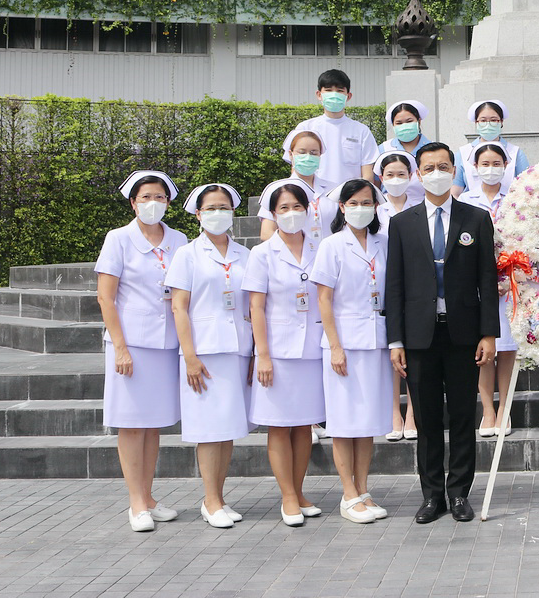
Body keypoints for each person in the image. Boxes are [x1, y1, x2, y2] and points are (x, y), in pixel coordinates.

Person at [385, 141, 499, 525]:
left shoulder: (476, 218)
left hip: (464, 333)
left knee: (464, 415)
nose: (437, 172)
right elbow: (395, 286)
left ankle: (460, 493)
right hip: (419, 336)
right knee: (428, 419)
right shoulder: (402, 223)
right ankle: (432, 495)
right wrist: (396, 340)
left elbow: (487, 278)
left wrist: (489, 333)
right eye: (429, 167)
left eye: (444, 166)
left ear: (455, 170)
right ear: (419, 174)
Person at [94, 170, 188, 532]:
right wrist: (120, 348)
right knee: (132, 425)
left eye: (160, 197)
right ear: (133, 203)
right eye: (146, 197)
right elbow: (106, 296)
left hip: (166, 343)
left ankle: (149, 496)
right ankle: (135, 503)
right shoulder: (118, 239)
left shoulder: (178, 239)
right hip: (131, 344)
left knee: (153, 427)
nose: (153, 204)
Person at [167, 183, 252, 530]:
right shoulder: (187, 254)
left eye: (224, 207)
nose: (218, 214)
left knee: (228, 427)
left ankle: (219, 496)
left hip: (237, 349)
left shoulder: (245, 254)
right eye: (211, 208)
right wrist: (189, 355)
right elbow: (178, 307)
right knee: (208, 428)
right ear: (199, 214)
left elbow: (252, 305)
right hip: (203, 352)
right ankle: (210, 500)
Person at [244, 182, 325, 527]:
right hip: (276, 351)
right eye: (284, 209)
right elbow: (256, 308)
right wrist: (262, 355)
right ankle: (287, 496)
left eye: (297, 207)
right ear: (273, 215)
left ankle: (300, 490)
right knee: (279, 425)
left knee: (304, 425)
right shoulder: (262, 254)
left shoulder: (321, 248)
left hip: (312, 349)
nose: (292, 214)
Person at [314, 180, 394, 525]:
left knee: (367, 422)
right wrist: (335, 346)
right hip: (343, 344)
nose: (362, 208)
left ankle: (363, 490)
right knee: (345, 422)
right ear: (343, 207)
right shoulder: (331, 246)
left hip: (375, 339)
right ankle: (348, 493)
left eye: (368, 202)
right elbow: (323, 300)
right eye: (354, 202)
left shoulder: (385, 243)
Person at [458, 143, 517, 438]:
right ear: (475, 167)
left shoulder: (518, 199)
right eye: (485, 163)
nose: (491, 168)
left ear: (506, 165)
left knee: (506, 348)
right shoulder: (465, 200)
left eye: (497, 163)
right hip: (475, 283)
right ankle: (488, 410)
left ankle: (505, 407)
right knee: (483, 350)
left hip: (510, 283)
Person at [368, 150, 421, 442]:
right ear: (381, 178)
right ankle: (393, 413)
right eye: (390, 175)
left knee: (412, 351)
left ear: (412, 176)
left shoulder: (420, 207)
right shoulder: (374, 211)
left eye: (402, 174)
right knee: (391, 350)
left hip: (414, 287)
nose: (396, 180)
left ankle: (412, 413)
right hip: (382, 286)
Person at [281, 69, 380, 186]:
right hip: (315, 198)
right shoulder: (305, 128)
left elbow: (367, 175)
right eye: (328, 90)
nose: (334, 95)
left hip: (349, 199)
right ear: (319, 95)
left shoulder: (361, 131)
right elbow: (296, 169)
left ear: (348, 96)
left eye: (339, 91)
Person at [259, 130, 337, 242]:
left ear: (320, 155)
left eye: (314, 153)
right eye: (302, 152)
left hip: (329, 256)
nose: (308, 157)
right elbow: (266, 233)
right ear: (291, 154)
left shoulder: (334, 189)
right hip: (295, 256)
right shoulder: (277, 190)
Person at [453, 100, 531, 195]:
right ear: (476, 123)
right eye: (483, 120)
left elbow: (527, 187)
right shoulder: (463, 153)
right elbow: (455, 192)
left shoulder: (515, 152)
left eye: (493, 120)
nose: (488, 124)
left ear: (501, 122)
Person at [379, 101, 430, 204]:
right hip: (389, 207)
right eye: (399, 123)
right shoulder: (384, 148)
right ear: (393, 125)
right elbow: (376, 182)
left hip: (422, 206)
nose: (404, 126)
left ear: (419, 121)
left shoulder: (431, 149)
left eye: (409, 121)